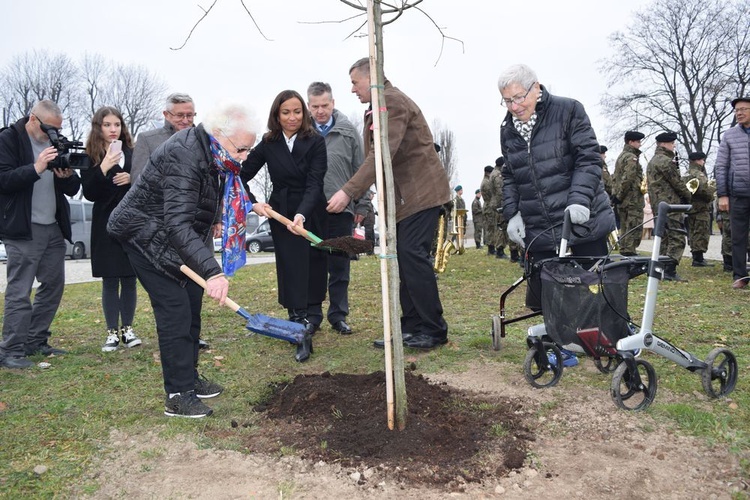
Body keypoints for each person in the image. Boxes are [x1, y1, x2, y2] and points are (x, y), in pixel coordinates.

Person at [108, 103, 257, 417]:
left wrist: (253, 204)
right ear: (220, 135)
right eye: (242, 148)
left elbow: (217, 195)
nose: (244, 156)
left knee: (192, 302)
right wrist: (213, 272)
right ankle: (177, 394)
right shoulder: (185, 154)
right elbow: (177, 223)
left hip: (172, 237)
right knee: (175, 311)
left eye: (249, 149)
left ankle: (189, 377)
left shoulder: (215, 152)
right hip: (144, 236)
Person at [327, 57, 451, 350]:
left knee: (411, 256)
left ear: (371, 79)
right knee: (403, 260)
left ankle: (434, 329)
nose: (353, 90)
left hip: (421, 195)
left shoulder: (391, 103)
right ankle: (411, 327)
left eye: (355, 83)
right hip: (404, 199)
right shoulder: (378, 106)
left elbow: (382, 154)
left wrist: (349, 191)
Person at [498, 64, 615, 311]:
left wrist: (579, 199)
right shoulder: (507, 130)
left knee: (596, 288)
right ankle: (560, 344)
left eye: (518, 98)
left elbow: (588, 158)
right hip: (539, 225)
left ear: (536, 88)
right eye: (507, 101)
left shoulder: (569, 110)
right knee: (549, 297)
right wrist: (512, 214)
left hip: (583, 220)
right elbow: (510, 174)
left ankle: (609, 338)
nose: (514, 107)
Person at [241, 90, 327, 361]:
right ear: (276, 115)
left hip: (311, 209)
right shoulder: (268, 143)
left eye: (297, 111)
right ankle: (296, 320)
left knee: (313, 262)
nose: (292, 117)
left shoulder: (316, 141)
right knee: (291, 264)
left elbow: (315, 183)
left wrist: (302, 214)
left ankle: (313, 315)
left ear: (305, 113)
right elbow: (240, 177)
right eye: (286, 112)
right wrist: (253, 203)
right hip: (281, 210)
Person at [0, 100, 81, 369]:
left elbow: (72, 188)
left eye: (58, 129)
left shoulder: (56, 142)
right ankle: (11, 349)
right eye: (50, 129)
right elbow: (4, 181)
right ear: (34, 120)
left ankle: (35, 340)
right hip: (22, 228)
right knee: (19, 291)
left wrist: (65, 175)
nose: (54, 135)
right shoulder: (8, 139)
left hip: (53, 227)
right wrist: (36, 168)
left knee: (53, 287)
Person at [306, 81, 365, 336]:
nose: (320, 111)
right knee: (312, 265)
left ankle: (338, 315)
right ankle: (312, 315)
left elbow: (361, 169)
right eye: (315, 106)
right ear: (308, 106)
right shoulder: (302, 132)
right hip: (308, 211)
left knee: (340, 266)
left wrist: (361, 203)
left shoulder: (348, 132)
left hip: (341, 210)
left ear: (333, 103)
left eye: (325, 105)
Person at [82, 107, 142, 352]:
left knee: (129, 278)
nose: (113, 129)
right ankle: (111, 333)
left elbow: (146, 184)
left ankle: (127, 329)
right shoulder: (90, 156)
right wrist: (104, 167)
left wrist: (132, 178)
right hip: (104, 224)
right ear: (99, 127)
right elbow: (89, 192)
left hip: (130, 224)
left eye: (117, 124)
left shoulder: (133, 152)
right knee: (110, 279)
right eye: (107, 125)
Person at [646, 131, 692, 281]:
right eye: (672, 144)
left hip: (658, 204)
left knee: (664, 237)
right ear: (664, 144)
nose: (674, 146)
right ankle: (670, 271)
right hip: (670, 204)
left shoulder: (653, 160)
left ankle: (661, 269)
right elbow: (677, 183)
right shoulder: (666, 161)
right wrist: (688, 195)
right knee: (676, 236)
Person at [715, 97, 750, 289]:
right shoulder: (729, 136)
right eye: (737, 110)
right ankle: (740, 276)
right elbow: (721, 166)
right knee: (737, 236)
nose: (739, 113)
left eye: (744, 109)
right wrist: (723, 194)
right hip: (738, 194)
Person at [131, 93, 196, 184]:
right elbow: (138, 183)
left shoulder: (204, 141)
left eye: (189, 115)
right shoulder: (147, 140)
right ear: (166, 115)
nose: (185, 120)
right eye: (179, 115)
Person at [612, 131, 646, 256]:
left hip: (624, 199)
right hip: (632, 199)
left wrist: (617, 196)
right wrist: (620, 196)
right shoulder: (631, 157)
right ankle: (629, 251)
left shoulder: (621, 156)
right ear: (631, 142)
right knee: (633, 225)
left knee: (625, 226)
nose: (640, 145)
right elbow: (628, 178)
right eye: (638, 142)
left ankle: (625, 250)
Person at [683, 152, 715, 267]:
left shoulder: (686, 173)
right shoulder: (698, 174)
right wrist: (713, 191)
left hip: (691, 208)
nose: (703, 162)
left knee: (693, 232)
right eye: (702, 160)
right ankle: (698, 259)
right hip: (700, 208)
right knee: (701, 233)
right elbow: (704, 191)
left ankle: (696, 257)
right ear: (697, 161)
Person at [488, 157, 509, 259]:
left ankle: (499, 249)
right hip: (499, 204)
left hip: (496, 203)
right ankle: (500, 250)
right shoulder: (497, 175)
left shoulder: (493, 173)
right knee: (501, 227)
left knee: (500, 226)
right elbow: (500, 191)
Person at [480, 165, 496, 255]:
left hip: (488, 206)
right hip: (489, 207)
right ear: (487, 173)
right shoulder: (486, 183)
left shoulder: (486, 181)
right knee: (490, 228)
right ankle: (491, 249)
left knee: (491, 228)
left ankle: (491, 247)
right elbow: (491, 194)